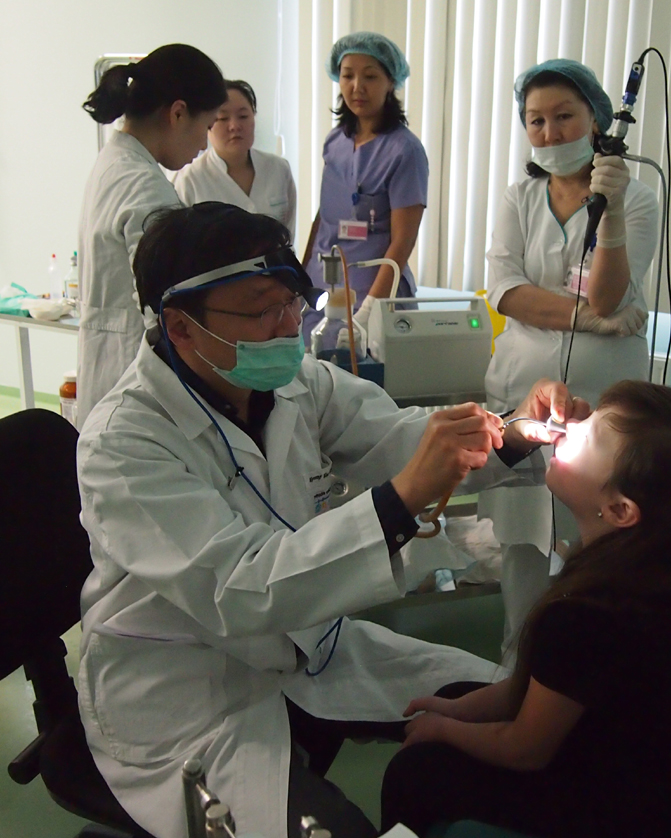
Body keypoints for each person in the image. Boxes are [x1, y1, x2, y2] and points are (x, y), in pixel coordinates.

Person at [74, 202, 585, 838]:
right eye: (262, 311)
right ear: (180, 327)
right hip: (191, 690)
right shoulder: (124, 443)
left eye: (292, 301)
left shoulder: (297, 384)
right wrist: (400, 501)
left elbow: (397, 437)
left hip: (316, 646)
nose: (290, 325)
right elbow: (241, 586)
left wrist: (513, 432)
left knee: (529, 714)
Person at [381, 381, 671, 838]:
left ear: (620, 509)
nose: (568, 427)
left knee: (413, 772)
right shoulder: (668, 576)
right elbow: (547, 687)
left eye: (589, 436)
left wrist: (443, 731)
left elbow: (524, 748)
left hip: (632, 813)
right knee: (458, 695)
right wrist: (455, 710)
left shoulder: (587, 616)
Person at [477, 59, 660, 654]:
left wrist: (611, 212)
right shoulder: (520, 197)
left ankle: (587, 672)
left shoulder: (638, 199)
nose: (550, 132)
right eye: (536, 121)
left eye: (564, 116)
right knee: (523, 540)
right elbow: (506, 291)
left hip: (603, 396)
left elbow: (608, 291)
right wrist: (595, 319)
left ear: (597, 120)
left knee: (601, 540)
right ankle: (517, 664)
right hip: (523, 387)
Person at [76, 44, 228, 426]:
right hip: (135, 384)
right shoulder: (144, 188)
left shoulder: (114, 162)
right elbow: (166, 307)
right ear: (177, 113)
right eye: (207, 127)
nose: (204, 145)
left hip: (110, 372)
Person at [302, 31, 427, 344]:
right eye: (348, 76)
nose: (357, 86)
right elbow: (324, 217)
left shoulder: (405, 151)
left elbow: (403, 241)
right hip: (323, 287)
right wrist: (300, 281)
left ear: (390, 82)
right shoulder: (335, 142)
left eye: (370, 76)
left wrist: (370, 310)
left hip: (374, 290)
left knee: (364, 367)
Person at [174, 79, 297, 235]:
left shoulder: (278, 168)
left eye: (243, 116)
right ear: (208, 123)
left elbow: (288, 234)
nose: (234, 126)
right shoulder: (189, 180)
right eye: (223, 118)